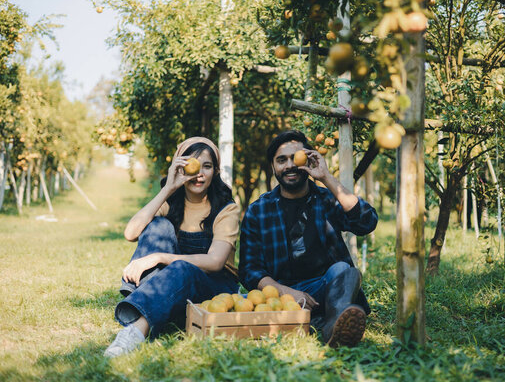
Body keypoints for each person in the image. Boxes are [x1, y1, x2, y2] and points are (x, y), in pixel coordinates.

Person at [239, 130, 378, 347]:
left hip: (326, 290)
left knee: (343, 270)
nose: (290, 165)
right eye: (281, 160)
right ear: (273, 166)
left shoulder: (327, 199)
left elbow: (366, 222)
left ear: (308, 159)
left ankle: (330, 320)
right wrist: (287, 292)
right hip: (281, 297)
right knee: (244, 301)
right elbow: (249, 270)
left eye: (296, 158)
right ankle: (326, 322)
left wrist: (325, 177)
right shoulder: (259, 210)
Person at [104, 137, 240, 358]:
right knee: (158, 226)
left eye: (207, 166)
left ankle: (136, 330)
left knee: (181, 267)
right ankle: (147, 309)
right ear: (180, 167)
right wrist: (168, 188)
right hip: (176, 288)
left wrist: (158, 257)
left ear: (215, 171)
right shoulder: (173, 203)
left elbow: (215, 262)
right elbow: (131, 232)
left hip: (215, 289)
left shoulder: (226, 209)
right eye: (192, 165)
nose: (199, 174)